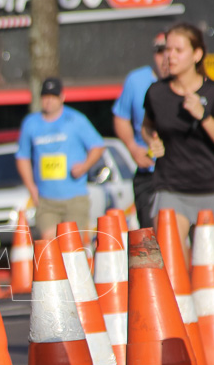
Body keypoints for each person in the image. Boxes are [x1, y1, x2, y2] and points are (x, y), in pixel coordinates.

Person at [143, 22, 214, 255]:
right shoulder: (156, 92)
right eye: (167, 49)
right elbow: (147, 127)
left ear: (197, 54)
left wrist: (203, 116)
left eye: (178, 50)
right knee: (169, 260)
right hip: (170, 189)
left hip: (211, 190)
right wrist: (151, 140)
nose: (170, 56)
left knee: (211, 267)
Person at [16, 77, 106, 240]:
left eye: (53, 96)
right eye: (45, 96)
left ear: (62, 97)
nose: (49, 101)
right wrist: (32, 188)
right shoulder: (31, 123)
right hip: (46, 200)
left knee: (72, 245)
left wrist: (85, 166)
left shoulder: (76, 120)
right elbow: (22, 157)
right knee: (49, 244)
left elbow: (97, 146)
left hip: (75, 198)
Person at [113, 31, 169, 228]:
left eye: (169, 50)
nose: (164, 56)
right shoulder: (137, 80)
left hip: (181, 173)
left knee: (184, 239)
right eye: (159, 51)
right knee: (148, 237)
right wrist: (132, 147)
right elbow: (121, 117)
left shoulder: (188, 82)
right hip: (149, 170)